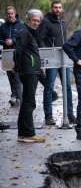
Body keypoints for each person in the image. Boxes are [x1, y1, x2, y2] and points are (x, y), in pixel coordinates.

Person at [37, 0, 76, 125]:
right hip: (53, 58)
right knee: (49, 86)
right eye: (55, 7)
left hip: (64, 58)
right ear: (51, 8)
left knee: (68, 87)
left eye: (59, 7)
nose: (57, 9)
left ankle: (70, 114)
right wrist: (47, 53)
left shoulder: (63, 20)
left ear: (62, 8)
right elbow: (40, 39)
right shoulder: (46, 21)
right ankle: (48, 116)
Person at [13, 9, 45, 142]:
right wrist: (20, 68)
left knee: (26, 102)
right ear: (28, 19)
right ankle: (28, 134)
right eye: (34, 20)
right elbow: (18, 51)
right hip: (28, 72)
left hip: (31, 71)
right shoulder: (24, 32)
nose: (36, 23)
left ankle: (23, 133)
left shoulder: (30, 33)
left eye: (38, 21)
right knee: (29, 103)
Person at [0, 6, 23, 106]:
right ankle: (15, 96)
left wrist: (13, 41)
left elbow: (23, 38)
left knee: (17, 76)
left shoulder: (21, 24)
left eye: (11, 13)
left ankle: (18, 97)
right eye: (8, 14)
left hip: (18, 53)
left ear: (15, 13)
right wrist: (5, 42)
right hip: (7, 54)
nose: (10, 15)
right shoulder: (2, 26)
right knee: (11, 76)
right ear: (6, 14)